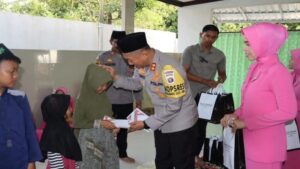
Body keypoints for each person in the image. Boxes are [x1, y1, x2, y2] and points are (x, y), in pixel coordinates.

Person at [101, 32, 198, 169]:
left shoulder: (169, 69)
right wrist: (115, 77)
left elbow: (174, 106)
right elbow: (136, 83)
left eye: (130, 59)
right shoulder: (142, 65)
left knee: (182, 163)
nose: (130, 63)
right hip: (161, 120)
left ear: (144, 54)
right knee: (163, 161)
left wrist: (146, 123)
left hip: (181, 124)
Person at [220, 22, 297, 169]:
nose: (244, 48)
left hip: (267, 149)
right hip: (249, 142)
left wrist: (247, 123)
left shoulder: (278, 72)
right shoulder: (255, 67)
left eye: (248, 43)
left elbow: (288, 112)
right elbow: (247, 104)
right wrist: (234, 115)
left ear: (264, 43)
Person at [181, 24, 227, 166]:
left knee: (201, 128)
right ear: (201, 34)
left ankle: (195, 157)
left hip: (206, 97)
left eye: (214, 37)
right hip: (188, 95)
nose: (210, 39)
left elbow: (223, 74)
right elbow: (184, 72)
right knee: (186, 126)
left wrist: (220, 80)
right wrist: (205, 80)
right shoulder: (190, 50)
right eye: (207, 36)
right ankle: (183, 155)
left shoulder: (219, 55)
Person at [96, 30, 143, 163]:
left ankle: (122, 153)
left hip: (126, 100)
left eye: (120, 41)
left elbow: (137, 82)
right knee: (106, 128)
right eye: (115, 41)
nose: (117, 44)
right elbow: (96, 79)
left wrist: (139, 101)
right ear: (111, 41)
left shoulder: (130, 58)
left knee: (123, 129)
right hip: (107, 100)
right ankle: (102, 154)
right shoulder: (102, 57)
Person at [0, 43, 42, 169]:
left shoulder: (19, 98)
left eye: (17, 71)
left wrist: (31, 162)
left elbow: (30, 132)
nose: (16, 76)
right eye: (11, 71)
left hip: (19, 162)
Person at [73, 63, 119, 169]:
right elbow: (77, 122)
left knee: (108, 163)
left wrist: (114, 124)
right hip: (88, 141)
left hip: (105, 138)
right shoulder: (82, 100)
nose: (103, 88)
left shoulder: (103, 96)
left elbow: (108, 115)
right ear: (92, 82)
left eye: (106, 85)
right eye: (101, 85)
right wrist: (100, 123)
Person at [39, 94, 82, 169]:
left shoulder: (63, 128)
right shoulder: (53, 134)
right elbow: (56, 164)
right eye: (68, 108)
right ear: (58, 111)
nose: (71, 109)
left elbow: (74, 153)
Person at [283, 48, 300, 169]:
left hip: (298, 119)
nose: (290, 61)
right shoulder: (291, 75)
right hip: (288, 118)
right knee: (287, 146)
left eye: (292, 58)